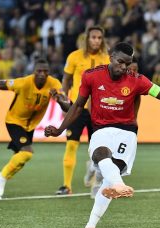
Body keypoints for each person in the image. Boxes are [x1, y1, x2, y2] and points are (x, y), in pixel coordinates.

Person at [44, 42, 160, 228]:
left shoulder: (137, 80)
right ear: (111, 57)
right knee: (100, 153)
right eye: (120, 62)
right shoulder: (91, 76)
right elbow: (78, 106)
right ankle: (118, 183)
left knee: (108, 180)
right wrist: (60, 129)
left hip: (127, 132)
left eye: (127, 64)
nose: (123, 67)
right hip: (101, 129)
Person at [0, 58, 70, 200]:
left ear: (49, 73)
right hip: (14, 121)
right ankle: (1, 178)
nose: (42, 74)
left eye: (45, 71)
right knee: (27, 153)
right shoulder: (22, 83)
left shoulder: (54, 84)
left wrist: (58, 99)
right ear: (33, 71)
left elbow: (68, 107)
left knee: (20, 160)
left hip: (30, 126)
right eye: (39, 71)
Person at [56, 26, 110, 197]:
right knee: (71, 144)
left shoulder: (107, 59)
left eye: (99, 38)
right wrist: (64, 100)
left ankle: (96, 185)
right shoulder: (74, 56)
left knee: (98, 149)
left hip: (98, 109)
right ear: (87, 38)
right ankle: (66, 186)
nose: (96, 41)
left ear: (102, 40)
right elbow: (66, 79)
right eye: (93, 37)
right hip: (77, 107)